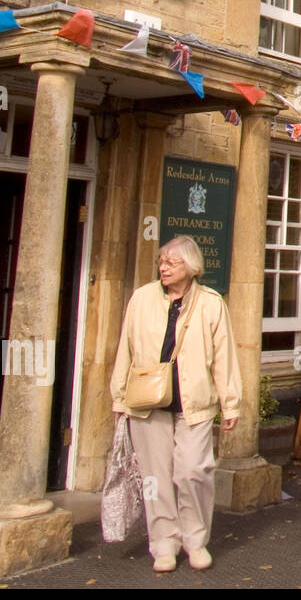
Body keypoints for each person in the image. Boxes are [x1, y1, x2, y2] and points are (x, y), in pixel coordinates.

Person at [110, 235, 241, 573]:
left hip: (193, 403)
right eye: (162, 261)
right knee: (155, 476)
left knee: (193, 472)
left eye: (172, 262)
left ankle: (195, 540)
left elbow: (225, 358)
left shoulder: (211, 303)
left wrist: (231, 404)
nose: (163, 268)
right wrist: (119, 396)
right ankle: (163, 544)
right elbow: (125, 347)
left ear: (191, 267)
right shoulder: (141, 299)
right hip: (147, 401)